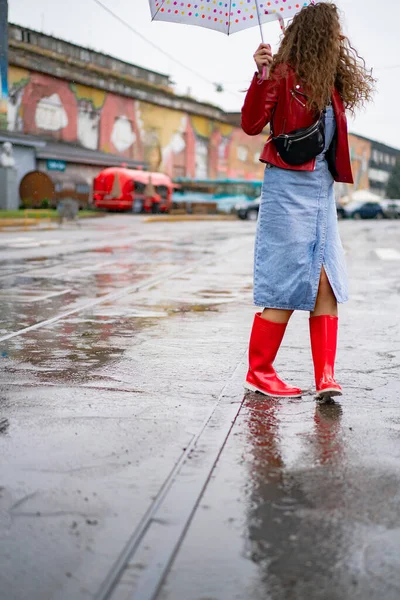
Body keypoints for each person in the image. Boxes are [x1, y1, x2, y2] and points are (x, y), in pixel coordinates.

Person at [241, 2, 374, 401]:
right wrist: (261, 75)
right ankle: (259, 371)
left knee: (326, 281)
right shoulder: (280, 73)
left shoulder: (329, 82)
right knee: (285, 279)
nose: (339, 38)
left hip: (321, 191)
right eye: (333, 31)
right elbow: (250, 124)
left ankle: (326, 377)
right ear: (318, 33)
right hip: (287, 188)